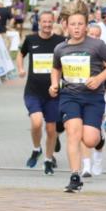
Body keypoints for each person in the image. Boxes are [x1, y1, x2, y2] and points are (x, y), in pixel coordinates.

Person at [49, 11, 106, 193]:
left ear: (86, 26)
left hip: (93, 98)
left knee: (89, 140)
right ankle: (75, 176)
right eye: (73, 24)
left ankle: (100, 137)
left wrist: (98, 79)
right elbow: (56, 68)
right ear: (67, 26)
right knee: (73, 133)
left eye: (80, 24)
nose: (77, 28)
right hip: (69, 96)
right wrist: (54, 84)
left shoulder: (97, 45)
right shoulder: (60, 49)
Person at [17, 10, 65, 175]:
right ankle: (36, 149)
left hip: (53, 93)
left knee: (51, 130)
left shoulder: (60, 41)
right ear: (39, 22)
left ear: (53, 22)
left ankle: (48, 160)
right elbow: (20, 54)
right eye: (43, 22)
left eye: (49, 22)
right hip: (33, 91)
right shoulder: (31, 39)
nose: (46, 25)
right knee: (37, 122)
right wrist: (21, 68)